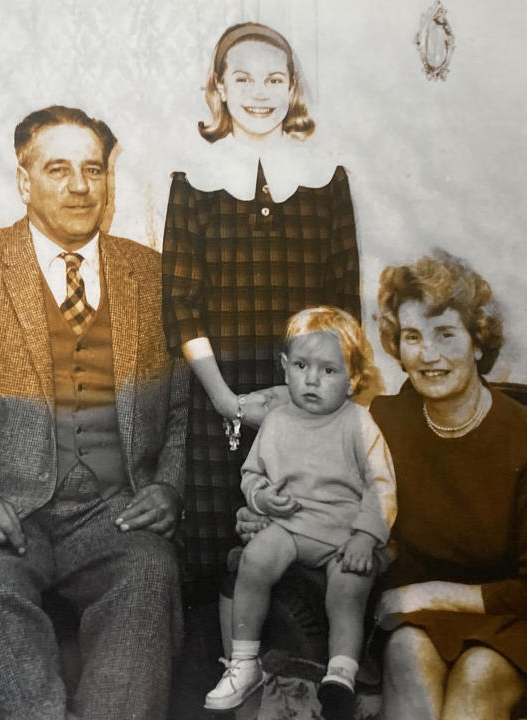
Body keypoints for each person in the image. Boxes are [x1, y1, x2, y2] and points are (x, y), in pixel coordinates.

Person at [0, 105, 188, 720]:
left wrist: (169, 486)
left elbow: (186, 407)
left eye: (94, 170)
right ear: (24, 181)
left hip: (114, 512)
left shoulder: (152, 275)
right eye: (58, 169)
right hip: (1, 515)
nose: (80, 186)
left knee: (152, 574)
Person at [161, 21, 362, 593]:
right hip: (221, 396)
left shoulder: (327, 178)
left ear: (292, 88)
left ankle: (296, 677)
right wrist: (227, 400)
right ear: (219, 88)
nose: (259, 91)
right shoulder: (192, 182)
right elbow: (180, 304)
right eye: (243, 77)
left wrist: (308, 394)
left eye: (274, 79)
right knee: (223, 555)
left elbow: (343, 303)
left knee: (308, 548)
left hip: (311, 396)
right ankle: (233, 671)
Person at [369, 252, 527, 719]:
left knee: (480, 669)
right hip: (423, 624)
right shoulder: (383, 423)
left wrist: (423, 594)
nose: (428, 354)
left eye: (446, 334)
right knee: (406, 649)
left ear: (476, 342)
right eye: (412, 337)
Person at [204, 308, 395, 719]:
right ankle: (243, 661)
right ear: (285, 368)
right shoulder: (277, 421)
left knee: (347, 588)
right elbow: (252, 474)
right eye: (303, 367)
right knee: (252, 562)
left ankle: (341, 675)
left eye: (329, 371)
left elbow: (382, 488)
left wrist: (365, 536)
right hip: (290, 526)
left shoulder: (359, 424)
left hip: (344, 534)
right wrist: (261, 499)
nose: (312, 380)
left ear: (353, 381)